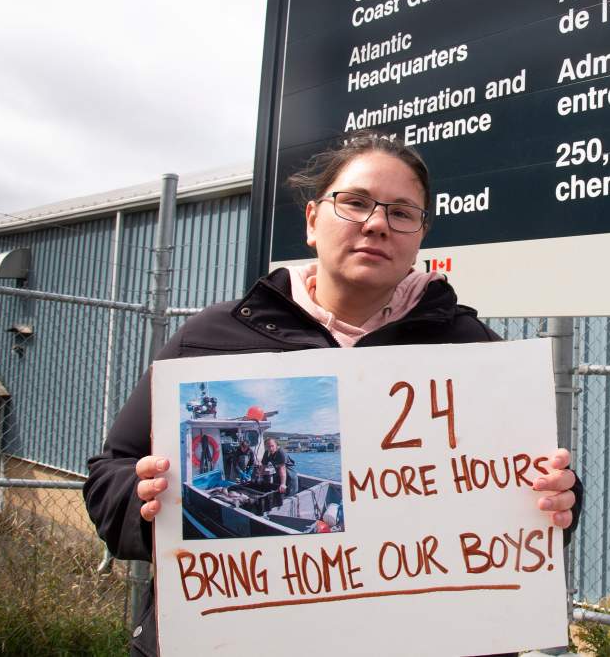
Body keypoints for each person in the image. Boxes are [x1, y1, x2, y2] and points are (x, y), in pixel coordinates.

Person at [83, 134, 580, 657]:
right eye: (356, 202)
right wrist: (144, 505)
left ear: (420, 235)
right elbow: (110, 474)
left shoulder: (473, 352)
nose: (377, 223)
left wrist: (559, 496)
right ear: (312, 220)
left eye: (402, 212)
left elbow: (529, 495)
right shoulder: (210, 338)